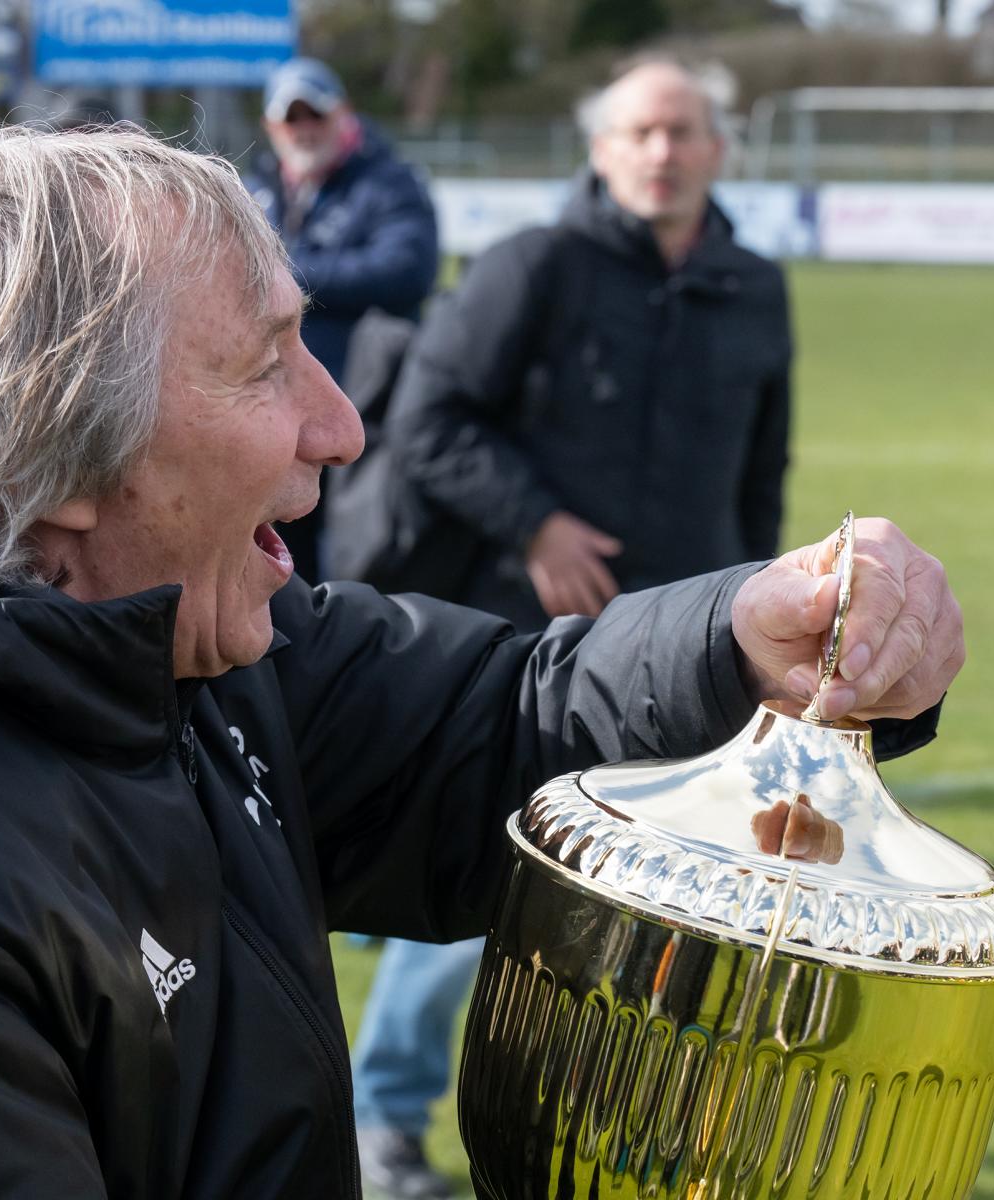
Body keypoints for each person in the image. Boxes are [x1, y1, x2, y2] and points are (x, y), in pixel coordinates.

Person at [0, 125, 961, 1199]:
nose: (341, 427)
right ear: (66, 451)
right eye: (265, 366)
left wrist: (743, 640)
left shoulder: (142, 634)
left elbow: (486, 726)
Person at [348, 56, 796, 1197]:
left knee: (673, 922)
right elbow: (430, 420)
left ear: (719, 149)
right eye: (640, 131)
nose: (662, 152)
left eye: (683, 131)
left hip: (697, 661)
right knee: (484, 893)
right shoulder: (535, 265)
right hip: (538, 652)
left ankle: (621, 1137)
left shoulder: (754, 286)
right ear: (601, 150)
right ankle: (386, 1115)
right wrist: (536, 522)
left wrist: (760, 626)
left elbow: (761, 475)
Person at [244, 57, 438, 581]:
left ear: (344, 113)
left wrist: (285, 271)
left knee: (367, 564)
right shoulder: (254, 187)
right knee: (283, 563)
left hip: (369, 412)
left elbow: (406, 270)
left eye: (316, 113)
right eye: (292, 117)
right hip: (275, 413)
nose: (304, 128)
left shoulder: (390, 182)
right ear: (271, 126)